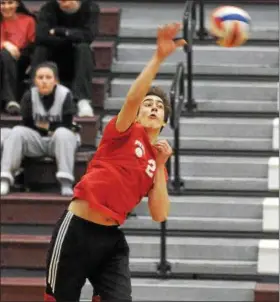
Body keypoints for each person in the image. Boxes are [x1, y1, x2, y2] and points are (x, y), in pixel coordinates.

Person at [44, 23, 186, 302]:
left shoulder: (156, 164)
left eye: (159, 106)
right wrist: (158, 58)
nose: (154, 107)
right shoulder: (123, 131)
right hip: (77, 228)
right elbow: (133, 97)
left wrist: (159, 164)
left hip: (110, 240)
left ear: (165, 121)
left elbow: (159, 214)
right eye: (149, 104)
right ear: (137, 113)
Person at [0, 61, 80, 196]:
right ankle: (5, 179)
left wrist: (46, 127)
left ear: (56, 80)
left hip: (60, 141)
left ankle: (66, 182)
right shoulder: (28, 96)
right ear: (35, 81)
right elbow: (28, 124)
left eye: (48, 78)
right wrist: (50, 127)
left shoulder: (66, 94)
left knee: (63, 133)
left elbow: (66, 124)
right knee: (17, 132)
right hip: (37, 140)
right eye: (40, 77)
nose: (44, 81)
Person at [31, 0, 100, 117]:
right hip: (54, 56)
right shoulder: (48, 8)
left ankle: (82, 100)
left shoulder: (90, 7)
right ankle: (36, 96)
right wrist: (71, 38)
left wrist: (60, 31)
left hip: (76, 59)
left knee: (84, 48)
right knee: (41, 49)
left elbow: (89, 36)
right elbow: (41, 36)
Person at [0, 0, 36, 115]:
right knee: (5, 54)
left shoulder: (28, 20)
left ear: (17, 4)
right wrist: (5, 44)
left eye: (10, 3)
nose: (6, 7)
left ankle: (10, 100)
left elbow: (34, 44)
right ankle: (9, 100)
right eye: (2, 3)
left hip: (21, 60)